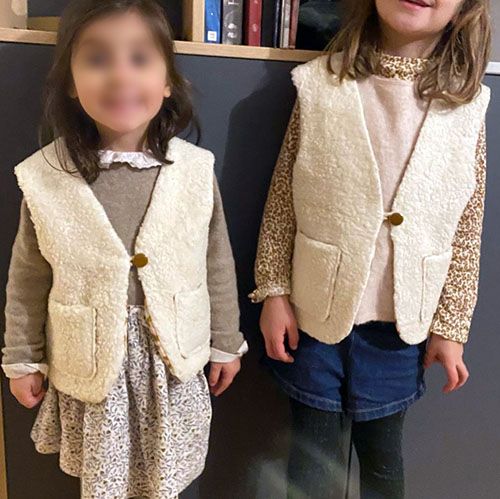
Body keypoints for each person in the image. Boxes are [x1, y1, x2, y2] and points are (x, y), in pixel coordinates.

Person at [1, 1, 247, 498]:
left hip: (169, 364)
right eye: (97, 60)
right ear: (72, 83)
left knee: (166, 479)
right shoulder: (47, 176)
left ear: (167, 80)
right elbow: (28, 276)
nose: (120, 76)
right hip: (94, 366)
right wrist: (23, 357)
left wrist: (225, 340)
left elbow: (216, 262)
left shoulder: (194, 171)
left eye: (139, 59)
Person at [250, 0, 491, 497]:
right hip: (313, 314)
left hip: (399, 328)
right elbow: (284, 198)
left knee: (383, 463)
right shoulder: (319, 84)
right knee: (311, 462)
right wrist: (273, 290)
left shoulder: (467, 106)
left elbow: (467, 226)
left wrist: (451, 327)